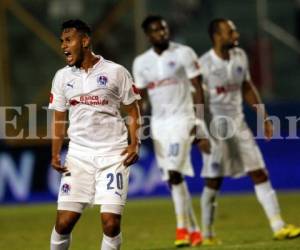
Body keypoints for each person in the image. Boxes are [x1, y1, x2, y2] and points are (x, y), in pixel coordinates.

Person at [198, 18, 300, 245]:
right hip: (216, 129)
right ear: (217, 35)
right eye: (230, 31)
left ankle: (278, 226)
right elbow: (197, 100)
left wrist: (264, 116)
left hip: (240, 124)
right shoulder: (203, 65)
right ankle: (206, 235)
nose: (236, 35)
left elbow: (246, 87)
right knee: (214, 180)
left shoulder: (240, 56)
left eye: (234, 30)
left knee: (259, 173)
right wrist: (199, 130)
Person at [48, 19, 141, 250]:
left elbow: (133, 109)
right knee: (64, 222)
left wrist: (134, 144)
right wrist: (55, 154)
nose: (63, 46)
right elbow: (59, 118)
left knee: (110, 224)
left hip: (113, 156)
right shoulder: (62, 77)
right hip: (79, 156)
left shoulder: (116, 72)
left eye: (68, 40)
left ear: (85, 40)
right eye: (62, 41)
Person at [132, 15, 210, 247]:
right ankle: (195, 231)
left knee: (175, 171)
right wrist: (137, 123)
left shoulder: (184, 53)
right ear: (148, 35)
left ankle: (181, 229)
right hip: (159, 125)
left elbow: (197, 87)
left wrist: (199, 121)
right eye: (156, 30)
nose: (161, 33)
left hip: (183, 119)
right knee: (173, 179)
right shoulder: (141, 62)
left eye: (164, 29)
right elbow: (142, 97)